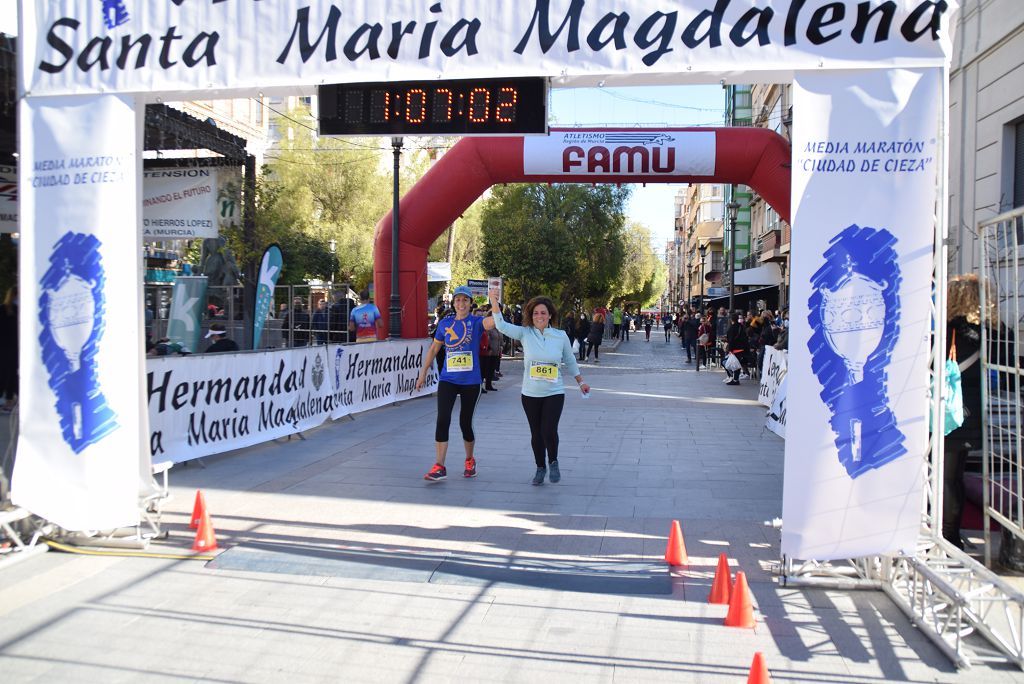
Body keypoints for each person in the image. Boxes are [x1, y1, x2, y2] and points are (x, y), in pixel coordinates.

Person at [489, 292, 590, 485]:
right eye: (535, 313)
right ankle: (539, 467)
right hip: (530, 393)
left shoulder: (560, 336)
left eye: (543, 312)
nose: (539, 316)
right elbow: (501, 325)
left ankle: (553, 461)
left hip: (554, 391)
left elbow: (569, 361)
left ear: (550, 315)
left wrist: (580, 382)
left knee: (548, 430)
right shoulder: (525, 333)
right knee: (536, 433)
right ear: (531, 316)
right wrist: (494, 302)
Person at [416, 285, 495, 482]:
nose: (461, 303)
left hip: (471, 381)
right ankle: (440, 465)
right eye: (458, 300)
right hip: (448, 379)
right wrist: (423, 372)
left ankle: (469, 460)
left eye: (465, 300)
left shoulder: (476, 322)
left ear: (470, 303)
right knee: (442, 419)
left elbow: (495, 322)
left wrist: (494, 301)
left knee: (465, 422)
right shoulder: (445, 323)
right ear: (453, 303)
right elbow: (434, 349)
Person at [0, 287, 17, 413]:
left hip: (15, 346)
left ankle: (10, 400)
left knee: (12, 374)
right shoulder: (4, 309)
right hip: (6, 346)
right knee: (5, 373)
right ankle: (6, 398)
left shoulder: (18, 310)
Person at [480, 309, 503, 393]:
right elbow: (486, 339)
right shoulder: (488, 328)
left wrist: (501, 346)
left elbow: (500, 338)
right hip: (488, 352)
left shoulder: (498, 327)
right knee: (484, 370)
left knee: (491, 369)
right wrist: (488, 348)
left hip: (496, 351)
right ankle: (480, 386)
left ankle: (489, 385)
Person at [724, 314, 749, 385]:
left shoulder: (732, 328)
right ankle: (735, 379)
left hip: (735, 348)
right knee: (736, 363)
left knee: (733, 364)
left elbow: (731, 340)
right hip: (742, 347)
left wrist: (730, 349)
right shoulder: (741, 326)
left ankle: (735, 379)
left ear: (731, 320)